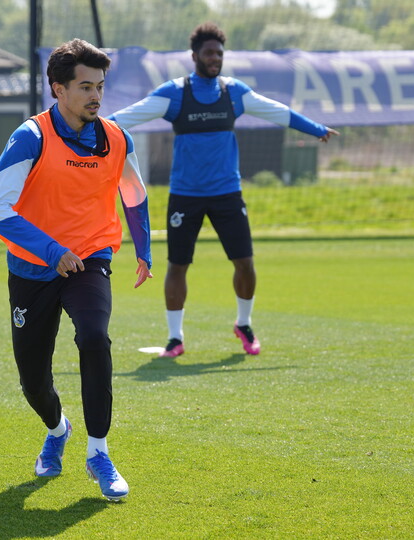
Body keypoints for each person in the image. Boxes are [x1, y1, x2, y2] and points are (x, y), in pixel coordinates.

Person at [0, 38, 153, 501]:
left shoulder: (117, 137)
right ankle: (58, 431)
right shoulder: (30, 137)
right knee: (32, 380)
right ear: (58, 89)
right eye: (84, 87)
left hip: (91, 258)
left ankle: (98, 452)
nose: (95, 96)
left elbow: (133, 193)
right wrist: (51, 249)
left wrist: (143, 248)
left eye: (100, 86)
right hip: (33, 267)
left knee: (95, 336)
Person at [109, 22, 340, 358]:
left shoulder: (234, 92)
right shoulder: (175, 93)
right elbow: (127, 117)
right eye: (208, 53)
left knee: (245, 263)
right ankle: (175, 338)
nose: (215, 58)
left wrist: (315, 128)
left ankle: (243, 324)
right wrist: (85, 127)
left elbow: (278, 112)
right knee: (177, 266)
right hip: (185, 195)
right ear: (195, 56)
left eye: (219, 53)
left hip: (227, 193)